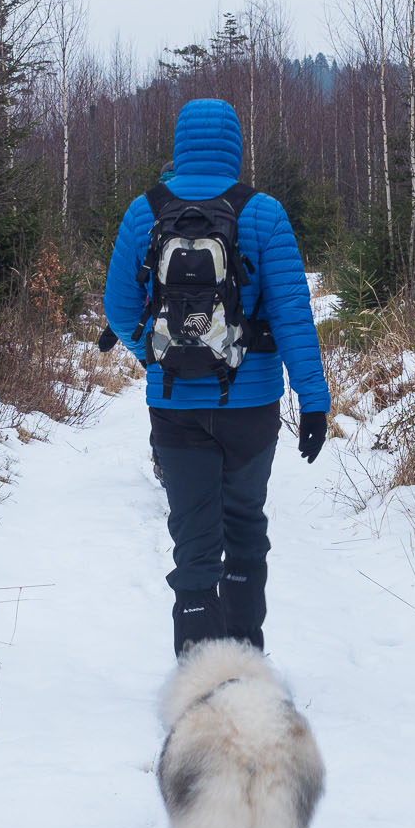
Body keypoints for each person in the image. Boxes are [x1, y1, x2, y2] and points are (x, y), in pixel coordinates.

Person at [104, 97, 330, 655]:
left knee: (194, 542)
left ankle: (200, 681)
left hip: (175, 405)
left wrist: (151, 353)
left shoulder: (144, 211)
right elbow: (293, 315)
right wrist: (314, 399)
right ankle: (245, 656)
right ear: (235, 143)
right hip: (251, 405)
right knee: (245, 527)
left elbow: (116, 306)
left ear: (180, 143)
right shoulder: (263, 213)